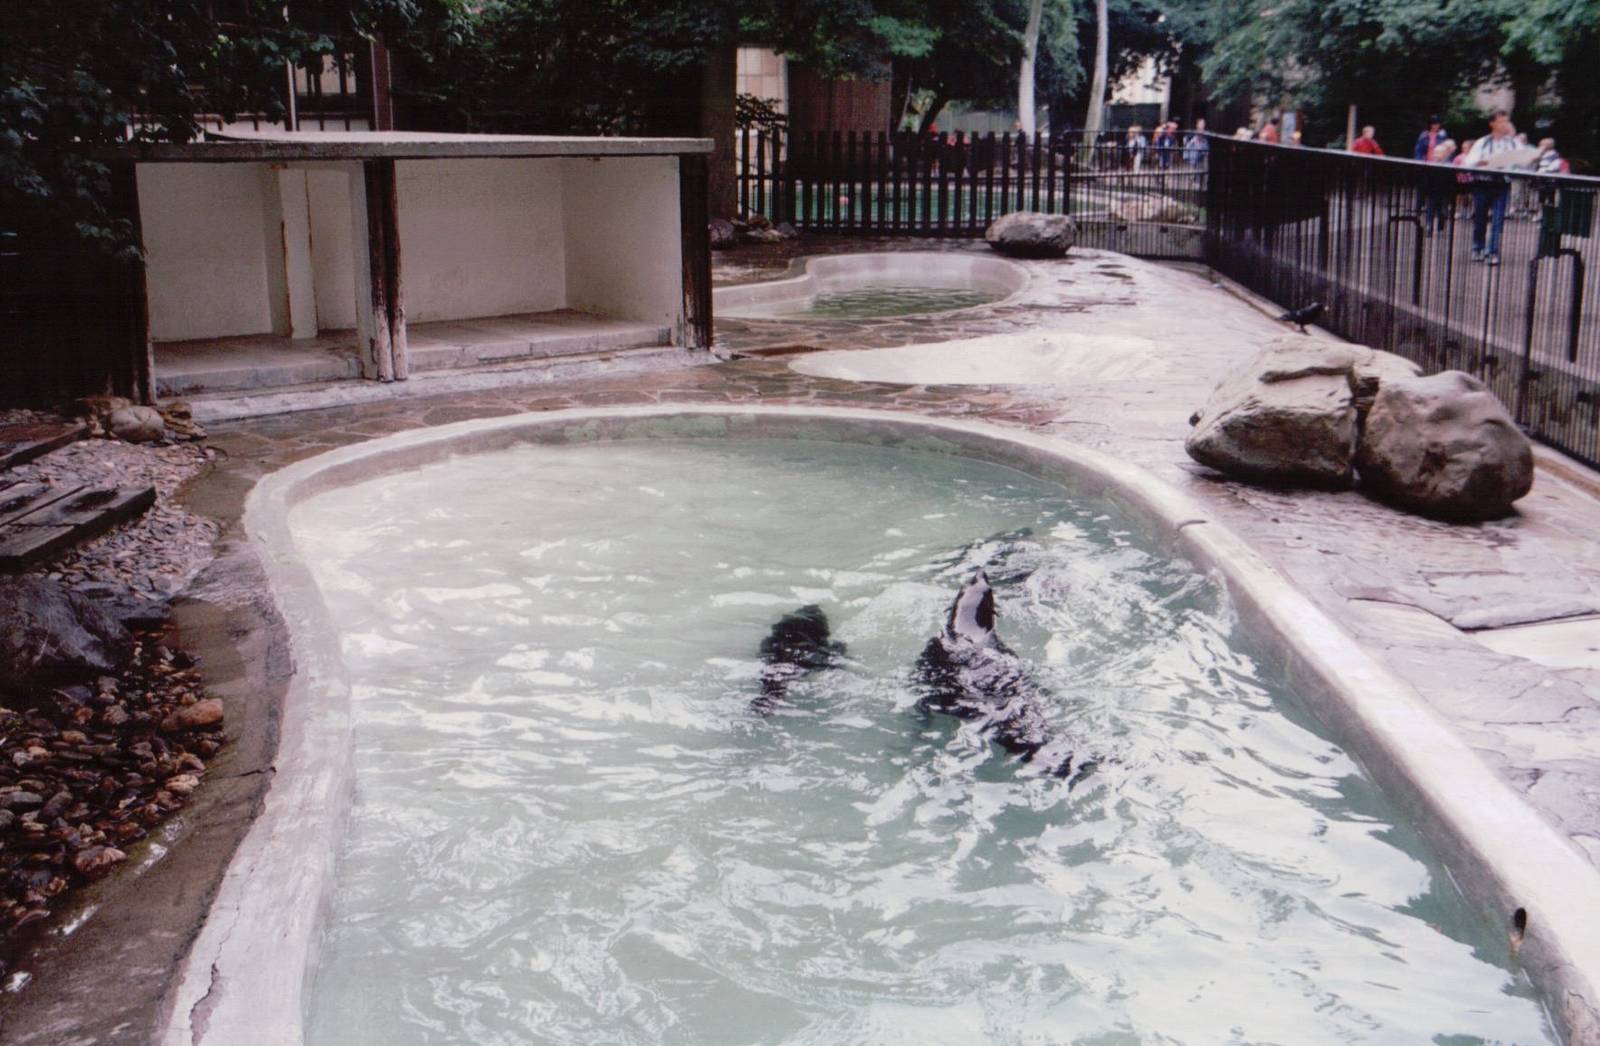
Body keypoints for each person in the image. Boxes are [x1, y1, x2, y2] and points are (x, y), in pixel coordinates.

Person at [1462, 111, 1519, 264]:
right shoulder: (1482, 142)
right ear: (1492, 123)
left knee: (1498, 219)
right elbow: (1470, 161)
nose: (1503, 125)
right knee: (1480, 217)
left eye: (1506, 122)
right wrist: (1487, 162)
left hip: (1501, 184)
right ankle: (1477, 248)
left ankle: (1492, 251)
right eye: (1500, 122)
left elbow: (1521, 160)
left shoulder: (1512, 143)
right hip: (1482, 183)